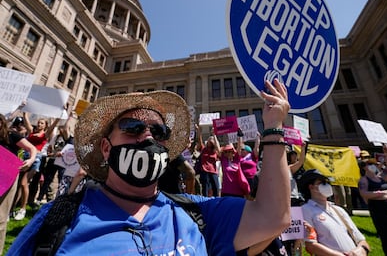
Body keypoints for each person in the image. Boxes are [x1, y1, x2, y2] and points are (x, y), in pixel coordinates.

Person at [7, 79, 291, 255]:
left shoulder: (197, 215)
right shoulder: (56, 221)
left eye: (159, 132)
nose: (147, 137)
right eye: (133, 127)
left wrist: (274, 127)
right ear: (106, 148)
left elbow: (273, 216)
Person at [299, 169, 370, 256]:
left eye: (328, 183)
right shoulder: (305, 210)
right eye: (323, 183)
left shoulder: (339, 210)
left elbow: (361, 240)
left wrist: (361, 250)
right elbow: (310, 245)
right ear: (311, 187)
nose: (327, 186)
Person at [0, 114, 37, 253]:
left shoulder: (12, 135)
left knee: (1, 216)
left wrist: (31, 160)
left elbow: (32, 149)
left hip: (6, 178)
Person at [195, 124, 221, 197]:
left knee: (216, 188)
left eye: (211, 139)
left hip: (213, 172)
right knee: (205, 189)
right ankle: (205, 201)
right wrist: (199, 131)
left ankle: (217, 201)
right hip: (204, 171)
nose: (210, 140)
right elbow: (200, 140)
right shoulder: (203, 149)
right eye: (210, 139)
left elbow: (218, 147)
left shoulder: (215, 151)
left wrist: (214, 135)